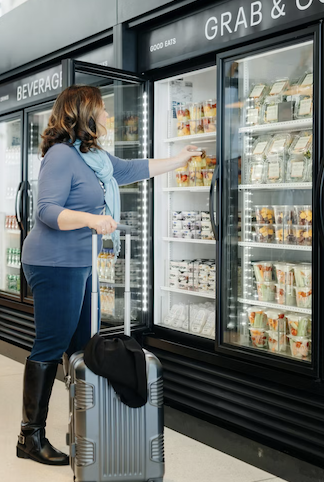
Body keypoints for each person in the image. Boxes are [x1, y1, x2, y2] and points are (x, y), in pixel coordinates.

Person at [16, 85, 202, 465]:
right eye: (102, 110)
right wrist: (92, 219)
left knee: (83, 348)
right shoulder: (61, 156)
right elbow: (47, 212)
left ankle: (84, 425)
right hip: (54, 262)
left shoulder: (93, 157)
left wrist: (179, 159)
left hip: (79, 261)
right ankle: (29, 437)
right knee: (51, 347)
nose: (108, 117)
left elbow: (134, 169)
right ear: (83, 113)